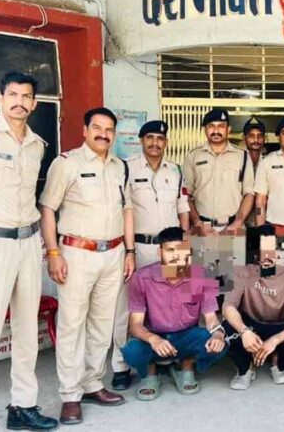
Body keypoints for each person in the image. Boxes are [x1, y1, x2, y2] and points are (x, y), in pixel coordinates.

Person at [40, 107, 136, 425]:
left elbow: (127, 211)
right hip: (76, 254)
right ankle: (70, 395)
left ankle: (93, 383)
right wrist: (53, 253)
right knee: (72, 325)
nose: (103, 134)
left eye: (109, 130)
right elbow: (48, 208)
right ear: (85, 130)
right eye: (97, 127)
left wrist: (130, 251)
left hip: (113, 253)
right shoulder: (66, 163)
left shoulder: (120, 167)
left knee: (102, 324)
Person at [0, 72, 58, 431]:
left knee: (27, 330)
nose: (19, 101)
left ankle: (23, 406)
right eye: (12, 94)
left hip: (29, 241)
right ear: (0, 98)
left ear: (33, 103)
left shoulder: (37, 145)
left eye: (26, 96)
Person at [111, 120, 190, 391]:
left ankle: (173, 358)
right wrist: (129, 250)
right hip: (139, 247)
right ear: (141, 140)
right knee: (128, 308)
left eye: (160, 138)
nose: (155, 143)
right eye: (150, 138)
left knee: (177, 303)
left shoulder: (175, 170)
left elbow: (183, 208)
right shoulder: (127, 168)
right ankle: (121, 365)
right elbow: (123, 210)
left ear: (166, 142)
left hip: (174, 247)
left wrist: (185, 244)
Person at [120, 227, 226, 401]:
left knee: (219, 345)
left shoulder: (202, 276)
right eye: (170, 250)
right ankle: (150, 371)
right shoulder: (141, 277)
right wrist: (154, 339)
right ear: (159, 252)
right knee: (131, 351)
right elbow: (135, 325)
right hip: (154, 338)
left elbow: (211, 318)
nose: (176, 256)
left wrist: (218, 335)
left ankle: (186, 365)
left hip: (186, 336)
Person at [222, 225, 284, 390]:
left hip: (279, 325)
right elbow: (228, 306)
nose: (267, 255)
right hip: (251, 325)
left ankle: (278, 362)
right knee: (226, 330)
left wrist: (275, 340)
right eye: (262, 250)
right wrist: (244, 331)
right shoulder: (242, 270)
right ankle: (246, 368)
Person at [182, 108, 254, 236]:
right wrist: (197, 222)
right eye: (211, 126)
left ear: (228, 129)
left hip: (234, 228)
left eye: (221, 126)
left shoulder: (242, 156)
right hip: (202, 229)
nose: (216, 131)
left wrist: (238, 222)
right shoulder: (193, 156)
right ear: (204, 129)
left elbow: (249, 194)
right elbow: (185, 195)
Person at [242, 117, 266, 228]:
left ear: (264, 139)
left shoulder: (268, 163)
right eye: (251, 136)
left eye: (259, 136)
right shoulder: (237, 162)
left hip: (260, 221)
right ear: (244, 138)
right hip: (238, 221)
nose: (256, 140)